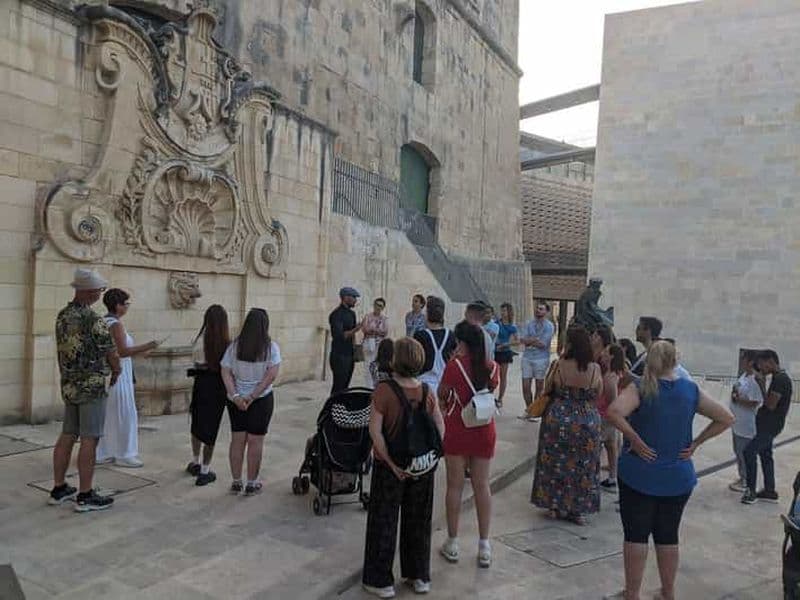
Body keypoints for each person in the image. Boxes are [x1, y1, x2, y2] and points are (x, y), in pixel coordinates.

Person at [606, 341, 734, 600]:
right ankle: (668, 592)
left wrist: (635, 439)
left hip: (638, 474)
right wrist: (696, 443)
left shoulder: (641, 387)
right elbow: (726, 418)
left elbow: (614, 412)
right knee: (668, 535)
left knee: (636, 535)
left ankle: (632, 594)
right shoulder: (690, 389)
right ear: (676, 360)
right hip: (678, 476)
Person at [362, 337, 445, 598]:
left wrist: (391, 463)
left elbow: (375, 431)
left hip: (391, 468)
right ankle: (418, 575)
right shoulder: (427, 391)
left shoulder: (384, 391)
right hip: (422, 467)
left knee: (384, 521)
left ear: (395, 360)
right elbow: (440, 427)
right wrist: (431, 459)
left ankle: (380, 580)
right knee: (419, 521)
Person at [50, 268, 120, 512]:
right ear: (89, 292)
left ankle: (59, 488)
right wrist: (118, 371)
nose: (100, 294)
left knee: (68, 433)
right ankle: (85, 494)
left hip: (69, 385)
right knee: (89, 438)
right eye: (99, 290)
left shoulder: (63, 316)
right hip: (91, 387)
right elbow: (110, 351)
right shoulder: (94, 319)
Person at [438, 321, 500, 568]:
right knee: (482, 485)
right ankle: (484, 545)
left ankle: (452, 542)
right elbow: (492, 387)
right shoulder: (492, 366)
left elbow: (443, 393)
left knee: (454, 486)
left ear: (461, 342)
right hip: (484, 429)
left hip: (458, 428)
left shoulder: (454, 366)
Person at [531, 325, 602, 525]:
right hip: (587, 421)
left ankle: (553, 505)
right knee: (583, 466)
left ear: (569, 344)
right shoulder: (595, 368)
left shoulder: (560, 365)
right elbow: (598, 392)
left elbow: (548, 388)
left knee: (553, 463)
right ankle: (576, 509)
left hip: (558, 418)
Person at [95, 289, 160, 468]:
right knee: (125, 414)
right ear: (118, 305)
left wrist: (140, 353)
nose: (127, 307)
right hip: (119, 375)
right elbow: (122, 351)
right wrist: (149, 345)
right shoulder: (115, 324)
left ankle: (104, 451)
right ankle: (125, 454)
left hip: (114, 373)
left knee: (109, 416)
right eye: (126, 304)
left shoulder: (103, 321)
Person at [221, 308, 281, 496]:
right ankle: (252, 483)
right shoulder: (271, 348)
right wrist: (253, 396)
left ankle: (236, 481)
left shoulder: (234, 346)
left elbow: (225, 371)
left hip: (236, 400)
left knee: (237, 439)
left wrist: (236, 396)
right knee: (256, 441)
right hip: (261, 399)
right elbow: (271, 375)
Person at [187, 304, 231, 486]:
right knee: (211, 426)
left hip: (201, 383)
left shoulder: (199, 340)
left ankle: (195, 461)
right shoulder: (227, 344)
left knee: (197, 422)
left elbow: (195, 361)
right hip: (218, 386)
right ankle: (205, 470)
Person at [742, 350, 793, 505]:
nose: (761, 369)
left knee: (749, 452)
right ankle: (769, 491)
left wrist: (762, 385)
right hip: (768, 424)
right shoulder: (779, 378)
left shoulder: (781, 380)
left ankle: (750, 491)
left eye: (762, 365)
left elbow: (770, 405)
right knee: (766, 455)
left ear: (770, 361)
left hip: (770, 425)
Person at [727, 350, 763, 493]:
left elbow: (755, 402)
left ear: (749, 362)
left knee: (744, 453)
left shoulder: (755, 380)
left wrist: (738, 400)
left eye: (743, 360)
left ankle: (747, 480)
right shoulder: (744, 376)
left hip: (746, 424)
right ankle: (742, 477)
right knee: (738, 451)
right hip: (737, 422)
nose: (741, 362)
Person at [519, 302, 555, 418]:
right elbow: (523, 339)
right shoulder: (529, 323)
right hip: (527, 357)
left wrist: (530, 341)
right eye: (537, 308)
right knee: (525, 385)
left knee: (539, 386)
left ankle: (535, 411)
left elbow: (543, 344)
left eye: (541, 309)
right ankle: (529, 410)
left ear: (546, 312)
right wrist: (533, 341)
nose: (538, 310)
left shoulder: (549, 326)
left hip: (541, 358)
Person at [598, 344, 626, 490]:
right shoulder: (618, 373)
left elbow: (611, 400)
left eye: (606, 352)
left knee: (599, 446)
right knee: (612, 447)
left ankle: (595, 476)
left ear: (612, 356)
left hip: (605, 417)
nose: (602, 354)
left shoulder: (610, 377)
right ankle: (612, 478)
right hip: (611, 418)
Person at [414, 296, 456, 395]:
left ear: (427, 313)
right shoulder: (451, 335)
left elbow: (415, 360)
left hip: (423, 383)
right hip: (444, 384)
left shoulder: (420, 335)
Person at [329, 287, 361, 393]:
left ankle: (342, 407)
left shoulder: (352, 314)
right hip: (339, 355)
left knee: (345, 386)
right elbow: (340, 336)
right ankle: (333, 407)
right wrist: (356, 329)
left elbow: (352, 336)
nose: (355, 300)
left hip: (349, 355)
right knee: (338, 385)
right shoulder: (336, 315)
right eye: (353, 297)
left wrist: (355, 351)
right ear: (345, 298)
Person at [494, 303, 518, 407]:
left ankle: (500, 398)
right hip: (495, 351)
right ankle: (490, 395)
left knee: (503, 376)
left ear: (509, 312)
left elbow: (517, 341)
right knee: (492, 375)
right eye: (502, 311)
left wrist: (506, 344)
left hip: (505, 352)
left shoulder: (512, 326)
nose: (503, 313)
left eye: (505, 311)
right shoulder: (496, 323)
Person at [362, 298, 389, 387]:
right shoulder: (368, 316)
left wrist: (373, 330)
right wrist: (376, 331)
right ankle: (368, 386)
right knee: (368, 365)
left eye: (380, 306)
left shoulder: (384, 318)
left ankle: (375, 386)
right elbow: (365, 329)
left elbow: (385, 331)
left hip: (378, 345)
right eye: (376, 304)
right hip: (368, 344)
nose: (378, 307)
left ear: (383, 307)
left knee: (376, 366)